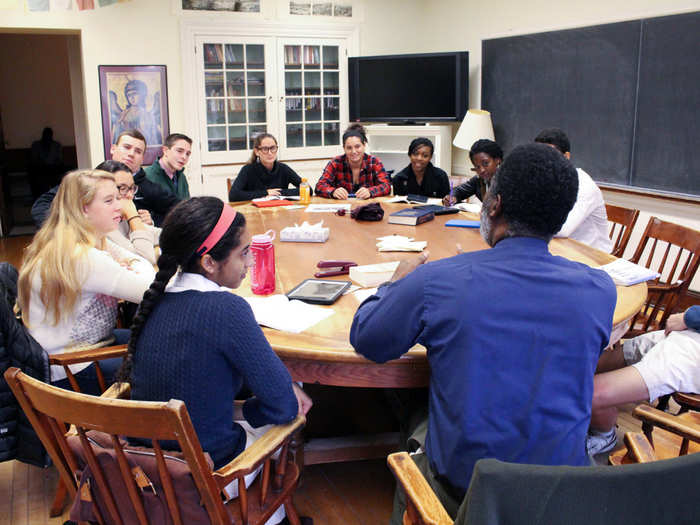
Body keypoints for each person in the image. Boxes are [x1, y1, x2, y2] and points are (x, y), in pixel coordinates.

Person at [350, 143, 617, 522]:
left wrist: (394, 283)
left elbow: (368, 338)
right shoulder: (600, 289)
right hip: (562, 496)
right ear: (559, 220)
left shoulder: (439, 283)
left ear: (493, 205)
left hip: (470, 497)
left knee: (412, 411)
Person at [118, 197, 312, 525]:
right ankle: (274, 519)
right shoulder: (226, 310)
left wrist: (239, 410)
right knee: (292, 405)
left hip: (149, 463)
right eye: (244, 253)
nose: (250, 262)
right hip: (207, 470)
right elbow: (284, 408)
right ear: (209, 262)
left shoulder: (154, 302)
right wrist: (247, 411)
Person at [17, 169, 155, 395]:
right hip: (69, 368)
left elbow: (138, 261)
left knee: (157, 336)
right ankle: (116, 427)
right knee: (166, 360)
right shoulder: (82, 256)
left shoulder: (78, 239)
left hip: (80, 351)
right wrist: (127, 263)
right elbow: (149, 287)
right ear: (83, 208)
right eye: (109, 200)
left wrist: (129, 263)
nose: (119, 207)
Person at [588, 306, 700, 455]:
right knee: (584, 368)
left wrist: (690, 317)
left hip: (691, 350)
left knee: (589, 392)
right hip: (690, 332)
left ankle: (604, 435)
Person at [31, 130, 180, 228]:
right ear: (113, 149)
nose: (131, 154)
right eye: (126, 147)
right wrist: (74, 228)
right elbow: (41, 206)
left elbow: (179, 210)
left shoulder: (150, 188)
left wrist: (151, 220)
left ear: (142, 158)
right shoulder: (87, 180)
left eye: (138, 151)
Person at [534, 128, 613, 253]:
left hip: (592, 258)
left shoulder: (584, 186)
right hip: (561, 249)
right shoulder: (548, 180)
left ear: (566, 157)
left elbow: (563, 229)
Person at [95, 160, 160, 265]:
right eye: (123, 188)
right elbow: (145, 260)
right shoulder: (102, 227)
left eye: (132, 188)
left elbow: (163, 235)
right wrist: (133, 216)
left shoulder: (122, 218)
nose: (130, 195)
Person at [315, 123, 390, 199]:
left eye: (357, 146)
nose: (354, 151)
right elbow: (319, 186)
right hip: (342, 208)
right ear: (344, 148)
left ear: (364, 145)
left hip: (368, 207)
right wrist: (333, 192)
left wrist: (370, 192)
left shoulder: (374, 162)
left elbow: (386, 186)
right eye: (349, 148)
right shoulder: (335, 163)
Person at [228, 133, 309, 202]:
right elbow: (233, 195)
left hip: (279, 211)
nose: (270, 153)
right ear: (257, 152)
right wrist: (266, 193)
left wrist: (278, 193)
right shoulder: (248, 170)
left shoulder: (283, 168)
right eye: (265, 149)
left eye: (273, 148)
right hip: (256, 213)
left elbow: (308, 189)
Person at [443, 139, 503, 206]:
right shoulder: (478, 180)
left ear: (497, 160)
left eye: (485, 163)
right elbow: (458, 190)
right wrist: (452, 197)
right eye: (477, 167)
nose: (481, 170)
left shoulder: (510, 180)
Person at [144, 133, 193, 199]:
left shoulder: (181, 176)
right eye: (179, 151)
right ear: (165, 150)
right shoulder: (147, 176)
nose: (184, 157)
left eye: (187, 154)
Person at [28, 126, 64, 199]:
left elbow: (59, 159)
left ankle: (57, 196)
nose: (47, 136)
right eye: (46, 134)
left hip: (53, 168)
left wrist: (53, 165)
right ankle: (38, 197)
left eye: (49, 135)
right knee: (35, 174)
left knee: (60, 173)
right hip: (40, 168)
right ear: (43, 135)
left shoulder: (56, 145)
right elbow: (34, 159)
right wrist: (42, 164)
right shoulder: (36, 145)